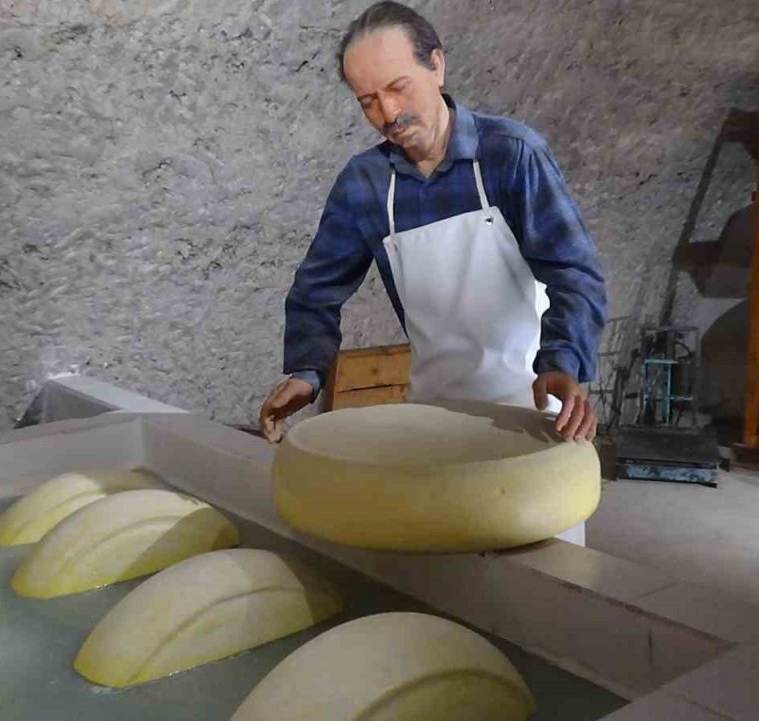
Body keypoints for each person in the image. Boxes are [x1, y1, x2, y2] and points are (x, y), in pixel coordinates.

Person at [260, 1, 607, 444]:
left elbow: (574, 274)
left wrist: (563, 363)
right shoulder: (365, 184)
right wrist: (306, 372)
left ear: (437, 66)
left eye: (398, 87)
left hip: (536, 409)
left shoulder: (512, 155)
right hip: (433, 412)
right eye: (368, 101)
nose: (388, 114)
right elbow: (316, 290)